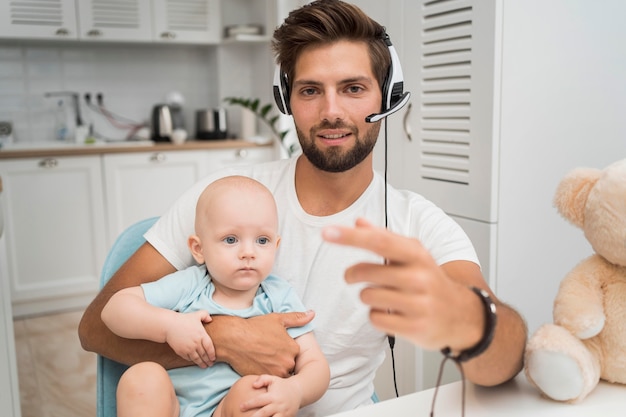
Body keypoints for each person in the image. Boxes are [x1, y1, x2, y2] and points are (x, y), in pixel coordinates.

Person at [79, 1, 528, 415]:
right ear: (287, 100)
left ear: (387, 97)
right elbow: (96, 328)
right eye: (311, 91)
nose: (331, 112)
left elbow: (503, 363)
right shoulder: (224, 199)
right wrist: (225, 337)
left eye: (353, 88)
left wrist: (469, 319)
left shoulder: (417, 223)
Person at [100, 176, 330, 417]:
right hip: (170, 408)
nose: (248, 252)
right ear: (198, 249)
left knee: (257, 393)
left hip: (231, 411)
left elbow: (316, 365)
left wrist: (295, 390)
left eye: (262, 240)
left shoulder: (279, 297)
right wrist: (169, 325)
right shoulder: (190, 284)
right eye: (231, 240)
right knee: (141, 377)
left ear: (276, 245)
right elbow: (114, 309)